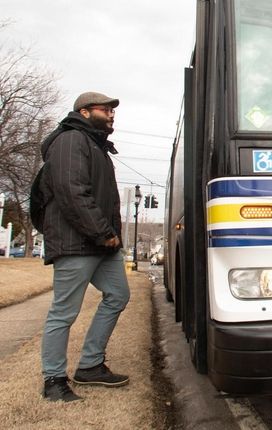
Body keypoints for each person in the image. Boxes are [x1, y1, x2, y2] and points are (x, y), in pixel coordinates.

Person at [39, 92, 131, 402]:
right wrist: (104, 233)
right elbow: (72, 193)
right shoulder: (70, 139)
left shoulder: (95, 144)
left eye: (111, 110)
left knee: (118, 295)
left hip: (103, 245)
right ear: (84, 111)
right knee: (63, 313)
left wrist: (110, 239)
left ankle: (90, 365)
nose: (111, 114)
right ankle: (53, 379)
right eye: (105, 109)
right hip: (76, 243)